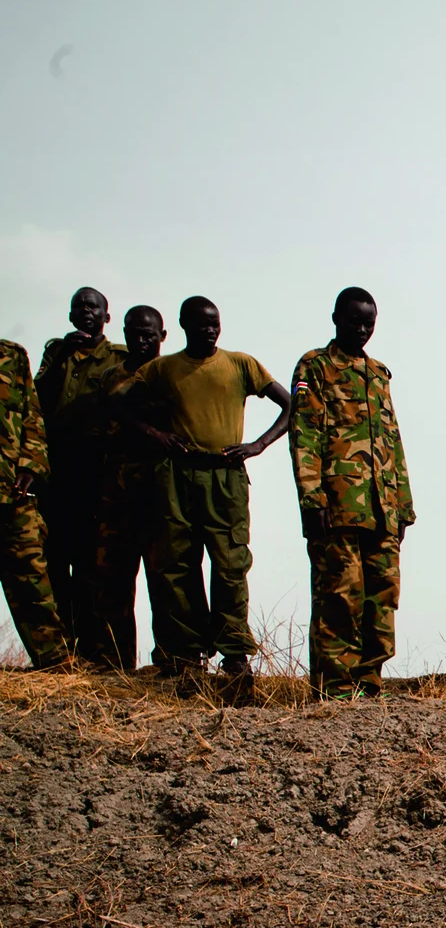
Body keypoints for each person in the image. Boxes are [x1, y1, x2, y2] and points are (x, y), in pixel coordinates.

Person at [125, 296, 289, 679]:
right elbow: (119, 403)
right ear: (183, 326)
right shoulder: (164, 369)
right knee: (178, 566)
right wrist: (154, 434)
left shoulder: (240, 364)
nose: (210, 330)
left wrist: (257, 445)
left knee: (231, 564)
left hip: (226, 475)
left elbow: (291, 403)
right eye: (201, 325)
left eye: (215, 323)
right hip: (178, 475)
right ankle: (186, 656)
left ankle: (235, 655)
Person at [289, 287, 414, 699]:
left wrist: (404, 507)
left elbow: (392, 440)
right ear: (336, 318)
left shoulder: (378, 373)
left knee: (383, 597)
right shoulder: (316, 366)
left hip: (383, 509)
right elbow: (304, 434)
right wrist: (312, 498)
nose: (362, 329)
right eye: (355, 321)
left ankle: (369, 683)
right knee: (340, 598)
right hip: (337, 507)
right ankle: (335, 691)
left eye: (369, 323)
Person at [33, 287, 124, 655]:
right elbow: (34, 394)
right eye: (79, 307)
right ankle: (60, 646)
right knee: (53, 556)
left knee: (90, 562)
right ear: (71, 316)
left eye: (93, 306)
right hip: (56, 467)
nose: (85, 311)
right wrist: (60, 358)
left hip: (95, 468)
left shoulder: (118, 356)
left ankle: (91, 647)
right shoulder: (56, 350)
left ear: (106, 315)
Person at [84, 307, 171, 671]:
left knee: (165, 580)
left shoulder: (172, 375)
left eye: (148, 334)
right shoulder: (109, 377)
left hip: (160, 493)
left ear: (162, 336)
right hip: (115, 492)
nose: (140, 340)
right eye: (134, 333)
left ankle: (169, 660)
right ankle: (113, 663)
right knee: (113, 578)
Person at [0, 337, 68, 669]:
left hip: (12, 492)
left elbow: (32, 413)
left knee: (33, 578)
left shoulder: (11, 356)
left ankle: (55, 663)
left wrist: (31, 464)